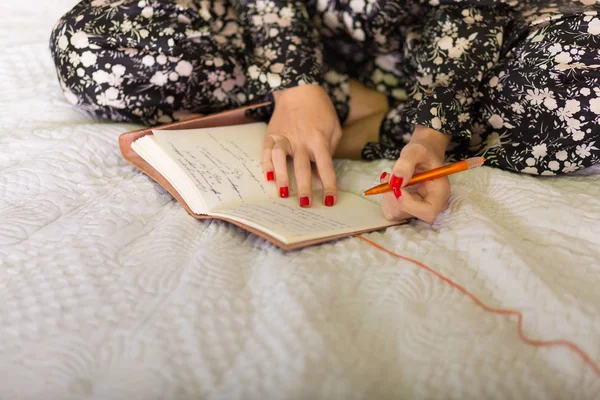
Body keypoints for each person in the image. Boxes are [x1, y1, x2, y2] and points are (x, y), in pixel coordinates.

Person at [49, 0, 600, 223]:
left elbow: (474, 10)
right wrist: (294, 84)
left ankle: (385, 120)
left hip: (466, 38)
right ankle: (342, 104)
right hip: (292, 27)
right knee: (91, 43)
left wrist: (430, 136)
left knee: (582, 61)